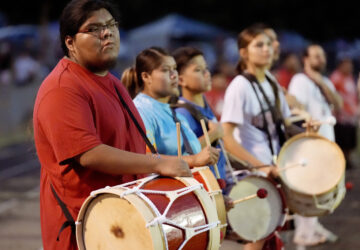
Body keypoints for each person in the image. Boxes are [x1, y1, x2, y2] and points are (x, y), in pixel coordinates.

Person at [33, 1, 190, 249]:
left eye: (110, 25)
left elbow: (133, 147)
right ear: (70, 42)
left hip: (123, 222)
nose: (106, 33)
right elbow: (89, 154)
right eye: (93, 28)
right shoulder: (62, 88)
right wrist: (159, 163)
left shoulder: (113, 83)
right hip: (85, 230)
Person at [221, 25, 292, 250]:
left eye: (269, 44)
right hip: (254, 175)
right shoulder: (239, 86)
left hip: (274, 168)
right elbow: (227, 138)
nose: (266, 49)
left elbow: (286, 125)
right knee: (258, 236)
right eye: (259, 45)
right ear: (244, 52)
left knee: (269, 235)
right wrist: (260, 166)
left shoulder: (271, 81)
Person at [122, 47, 220, 168]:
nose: (174, 75)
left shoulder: (173, 113)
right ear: (146, 77)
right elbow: (143, 157)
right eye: (166, 70)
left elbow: (191, 152)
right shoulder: (140, 110)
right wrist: (193, 159)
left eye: (174, 69)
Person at [288, 44, 342, 246]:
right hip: (310, 143)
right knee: (308, 188)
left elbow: (338, 104)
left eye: (322, 55)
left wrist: (321, 83)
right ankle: (303, 234)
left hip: (326, 142)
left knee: (320, 188)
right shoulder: (300, 80)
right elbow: (297, 110)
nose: (321, 59)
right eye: (316, 56)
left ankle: (312, 228)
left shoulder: (325, 80)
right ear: (305, 59)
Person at [171, 46, 227, 180]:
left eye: (206, 68)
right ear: (181, 80)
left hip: (221, 183)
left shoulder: (205, 106)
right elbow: (183, 156)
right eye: (198, 70)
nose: (206, 73)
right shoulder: (182, 113)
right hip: (205, 188)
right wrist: (213, 134)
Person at [330, 58, 358, 169]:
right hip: (341, 117)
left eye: (350, 65)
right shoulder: (336, 77)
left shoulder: (350, 78)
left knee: (350, 141)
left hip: (351, 116)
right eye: (347, 65)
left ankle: (348, 160)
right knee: (342, 141)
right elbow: (333, 96)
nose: (349, 67)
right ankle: (341, 161)